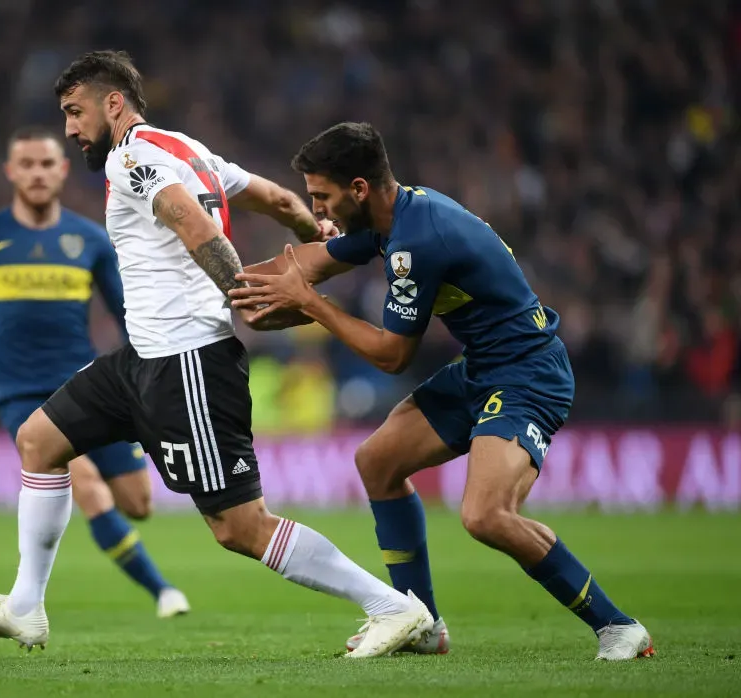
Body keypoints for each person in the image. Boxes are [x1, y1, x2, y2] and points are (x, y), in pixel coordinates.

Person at [0, 50, 435, 659]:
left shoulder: (136, 157)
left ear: (113, 103)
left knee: (239, 528)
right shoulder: (189, 150)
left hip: (188, 361)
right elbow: (276, 199)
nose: (69, 129)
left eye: (74, 112)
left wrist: (244, 297)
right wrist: (314, 234)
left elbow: (195, 227)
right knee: (39, 440)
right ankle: (27, 607)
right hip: (141, 357)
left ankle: (394, 608)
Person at [229, 122, 655, 661]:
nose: (320, 214)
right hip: (482, 368)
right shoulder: (390, 219)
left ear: (359, 188)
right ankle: (423, 624)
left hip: (528, 374)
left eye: (323, 197)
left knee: (486, 515)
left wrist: (311, 305)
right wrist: (205, 281)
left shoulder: (416, 240)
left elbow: (391, 355)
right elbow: (292, 270)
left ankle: (618, 626)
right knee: (377, 461)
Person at [0, 126, 190, 627]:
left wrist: (155, 367)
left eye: (46, 164)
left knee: (138, 502)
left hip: (87, 384)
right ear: (10, 172)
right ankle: (161, 590)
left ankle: (147, 585)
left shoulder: (89, 239)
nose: (36, 173)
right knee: (84, 480)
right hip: (19, 390)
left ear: (63, 170)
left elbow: (126, 311)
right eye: (26, 164)